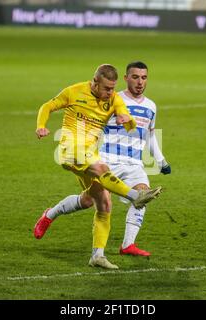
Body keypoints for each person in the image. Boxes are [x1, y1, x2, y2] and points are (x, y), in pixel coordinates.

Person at [34, 61, 170, 257]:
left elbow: (148, 133)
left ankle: (127, 245)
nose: (140, 82)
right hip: (106, 158)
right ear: (126, 78)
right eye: (135, 77)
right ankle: (50, 214)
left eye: (144, 77)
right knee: (90, 200)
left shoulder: (150, 106)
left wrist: (161, 160)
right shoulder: (114, 96)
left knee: (142, 194)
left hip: (134, 163)